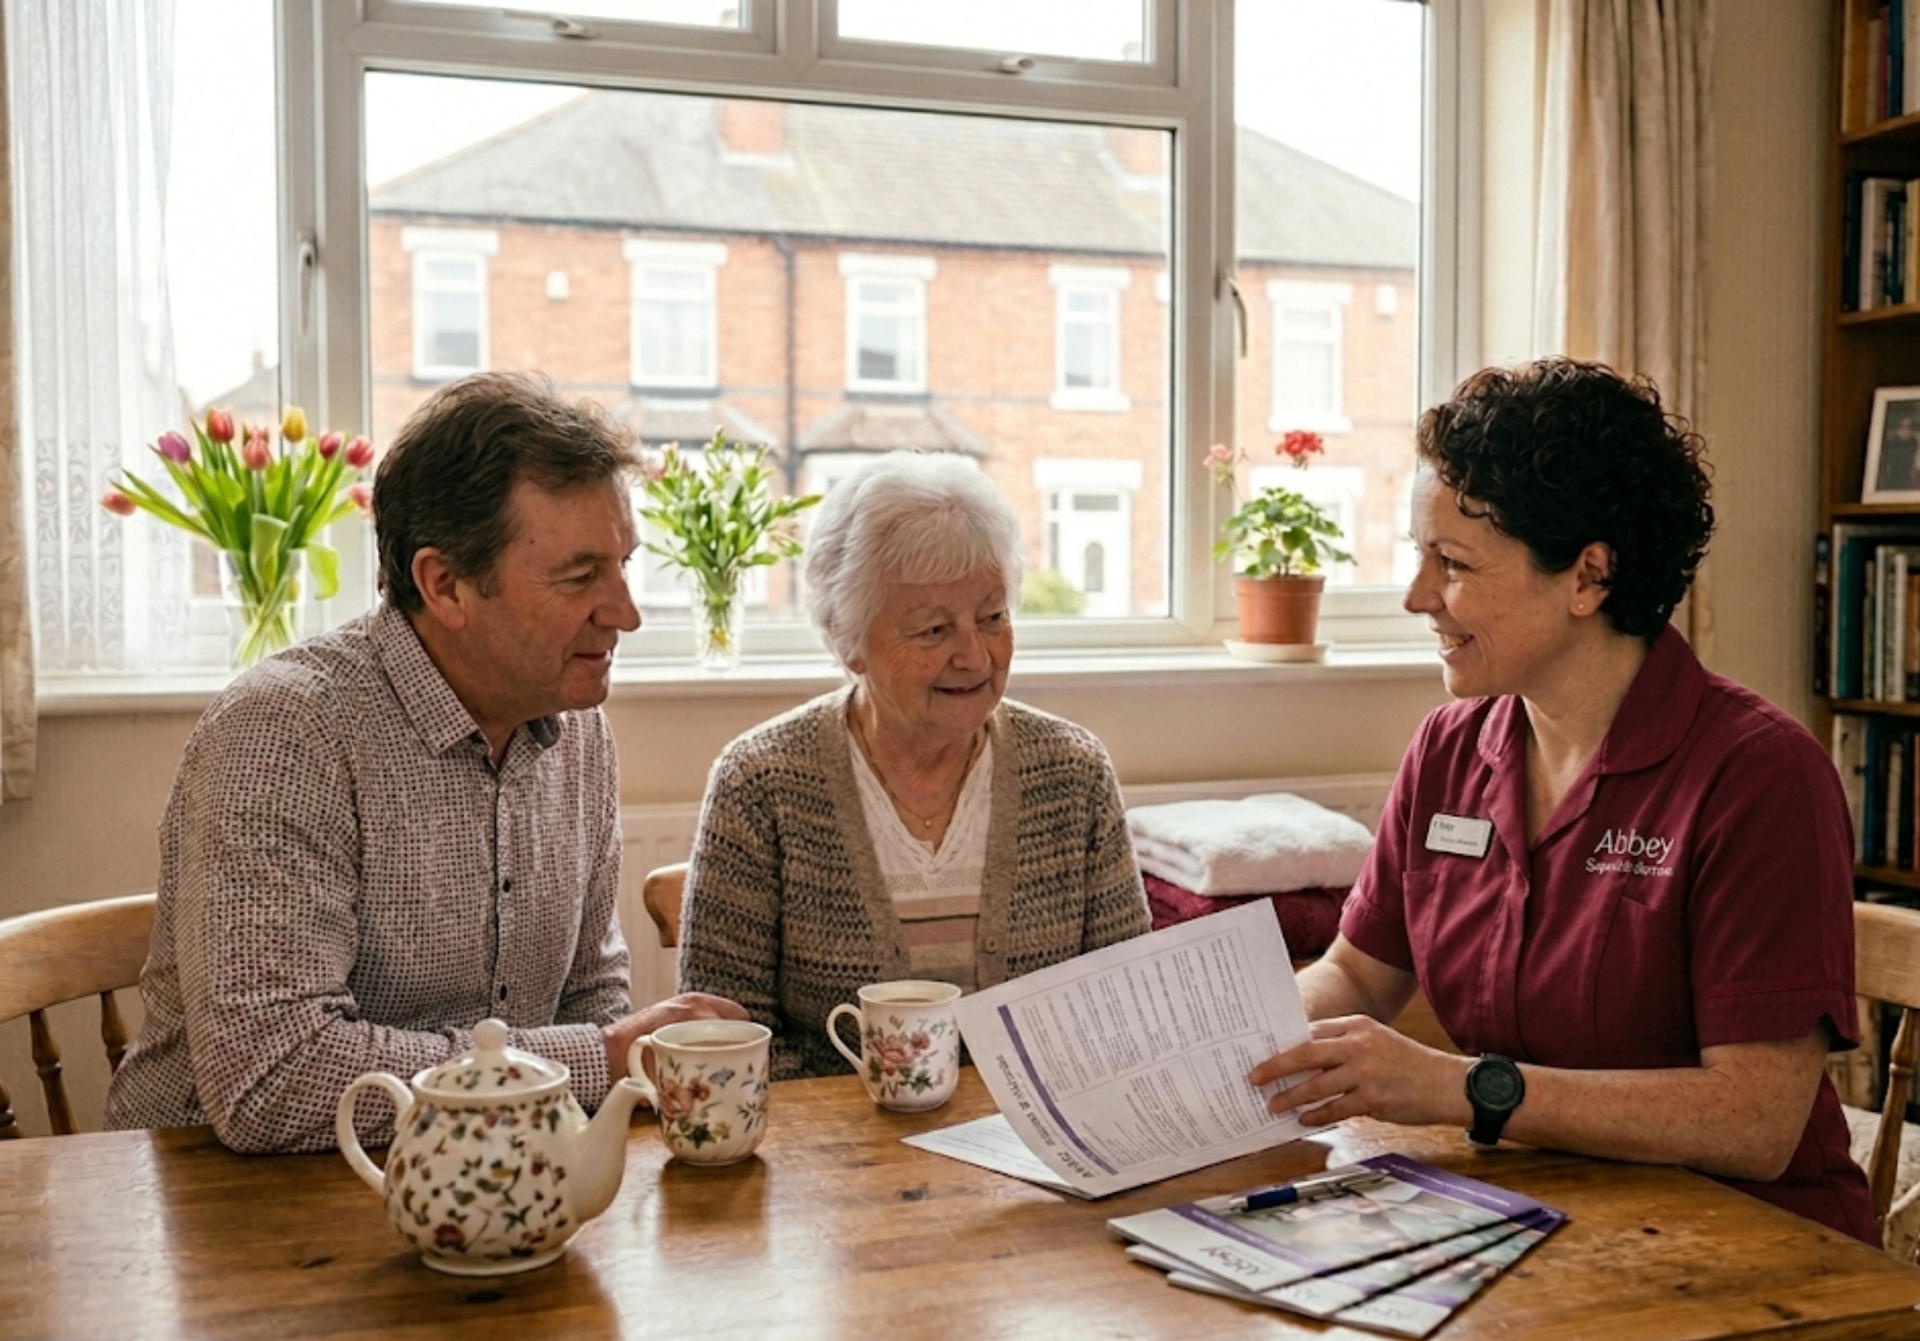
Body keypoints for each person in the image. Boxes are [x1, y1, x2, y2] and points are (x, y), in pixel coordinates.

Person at [1248, 357, 1876, 1244]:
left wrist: (1460, 1087)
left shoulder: (1760, 775)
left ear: (1589, 575)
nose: (1417, 596)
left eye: (1453, 563)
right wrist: (1235, 1059)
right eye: (1419, 556)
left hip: (1755, 1252)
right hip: (1535, 1222)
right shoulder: (1449, 749)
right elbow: (1356, 972)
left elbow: (1756, 1121)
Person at [105, 371, 744, 1153]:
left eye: (624, 565)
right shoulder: (284, 734)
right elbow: (272, 1082)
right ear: (443, 584)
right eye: (581, 576)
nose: (627, 612)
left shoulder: (577, 729)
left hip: (484, 1175)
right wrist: (603, 1059)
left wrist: (604, 1062)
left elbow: (589, 993)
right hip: (223, 1206)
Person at [676, 450, 1152, 1079]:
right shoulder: (762, 783)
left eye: (992, 617)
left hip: (1038, 1150)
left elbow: (1130, 1000)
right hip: (833, 1160)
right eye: (933, 630)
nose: (975, 656)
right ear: (849, 640)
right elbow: (724, 1038)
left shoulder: (1073, 773)